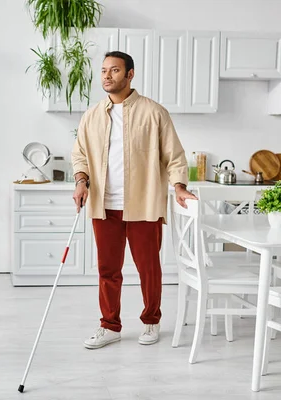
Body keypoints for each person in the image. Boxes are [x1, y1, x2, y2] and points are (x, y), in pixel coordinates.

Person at [71, 51, 197, 350]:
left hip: (143, 204)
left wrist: (179, 187)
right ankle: (110, 325)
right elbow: (80, 154)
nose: (107, 76)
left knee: (149, 268)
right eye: (103, 70)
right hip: (104, 206)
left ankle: (151, 321)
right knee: (108, 270)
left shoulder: (154, 113)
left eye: (114, 70)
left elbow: (174, 156)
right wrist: (80, 180)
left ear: (130, 74)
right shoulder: (91, 115)